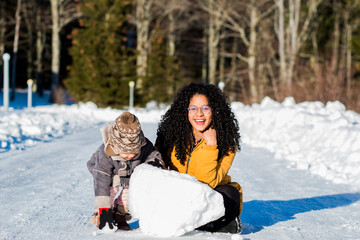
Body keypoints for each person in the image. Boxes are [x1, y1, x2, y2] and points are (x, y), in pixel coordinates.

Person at [155, 82, 242, 234]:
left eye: (205, 108)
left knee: (230, 193)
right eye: (193, 108)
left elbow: (206, 183)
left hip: (208, 198)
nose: (199, 114)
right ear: (185, 111)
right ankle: (213, 226)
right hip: (180, 196)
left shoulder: (227, 142)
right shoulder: (172, 136)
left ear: (215, 111)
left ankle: (205, 223)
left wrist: (211, 146)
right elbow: (153, 165)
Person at [87, 112, 164, 231]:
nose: (131, 155)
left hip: (130, 173)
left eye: (135, 152)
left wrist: (152, 166)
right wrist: (103, 209)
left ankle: (120, 214)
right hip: (107, 173)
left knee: (130, 192)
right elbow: (101, 181)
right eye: (126, 153)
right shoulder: (106, 152)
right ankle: (104, 214)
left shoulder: (144, 144)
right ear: (116, 148)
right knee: (112, 189)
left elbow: (153, 156)